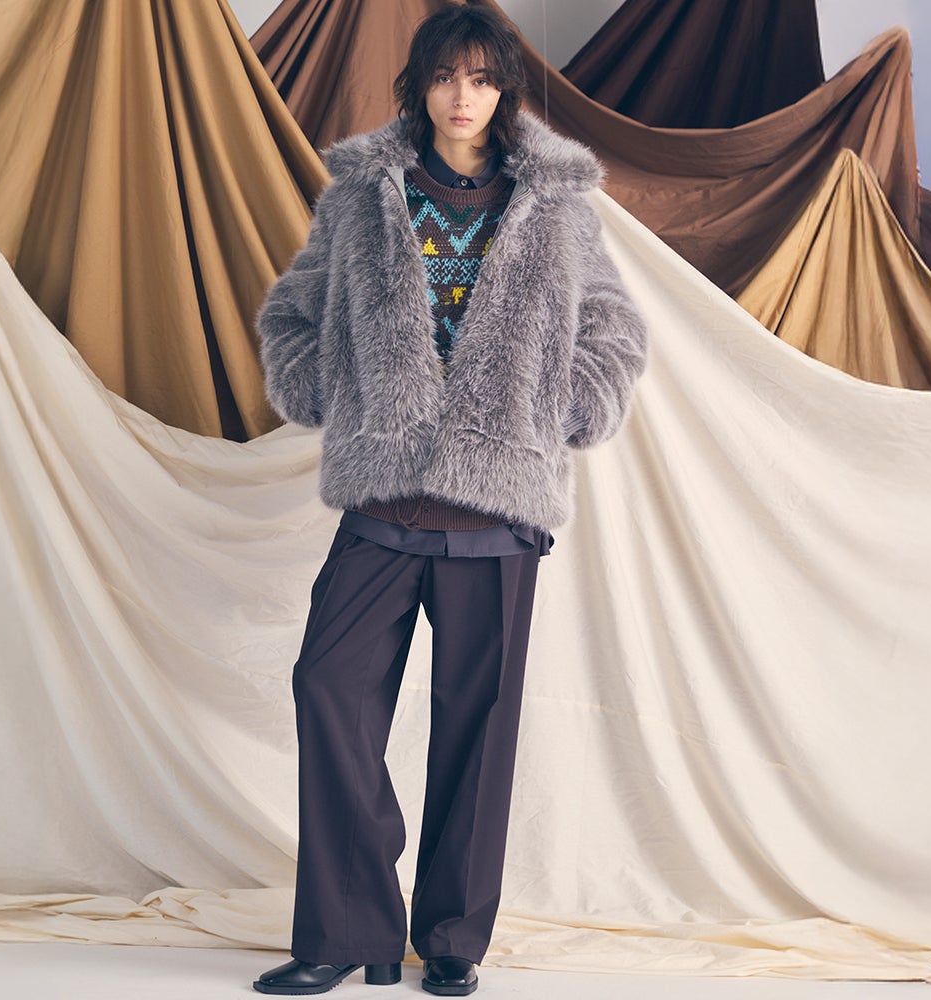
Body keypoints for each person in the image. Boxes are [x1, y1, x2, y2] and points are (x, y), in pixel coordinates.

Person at [250, 2, 646, 995]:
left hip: (498, 508)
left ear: (502, 87)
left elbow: (613, 331)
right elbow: (292, 314)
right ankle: (347, 930)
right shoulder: (363, 195)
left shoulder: (554, 202)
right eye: (443, 76)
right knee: (328, 687)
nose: (461, 97)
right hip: (384, 499)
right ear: (418, 85)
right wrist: (327, 390)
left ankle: (454, 939)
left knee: (481, 725)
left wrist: (564, 409)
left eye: (479, 77)